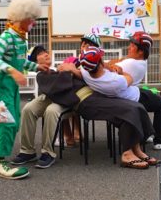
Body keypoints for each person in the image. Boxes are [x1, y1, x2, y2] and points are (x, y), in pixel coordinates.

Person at [0, 0, 49, 180]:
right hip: (1, 86)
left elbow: (20, 62)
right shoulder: (7, 37)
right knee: (5, 122)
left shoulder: (21, 38)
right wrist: (12, 71)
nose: (34, 23)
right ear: (22, 18)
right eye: (32, 19)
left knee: (13, 123)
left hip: (11, 87)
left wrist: (36, 67)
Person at [11, 33, 102, 169]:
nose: (84, 47)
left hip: (69, 97)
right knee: (28, 109)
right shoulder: (72, 60)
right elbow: (62, 78)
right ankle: (27, 151)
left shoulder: (96, 62)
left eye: (89, 45)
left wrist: (69, 71)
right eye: (83, 44)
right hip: (53, 94)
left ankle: (48, 152)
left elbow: (89, 80)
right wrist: (68, 72)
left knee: (51, 111)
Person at [104, 31, 161, 150]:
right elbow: (110, 64)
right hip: (129, 95)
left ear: (141, 51)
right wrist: (114, 62)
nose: (129, 47)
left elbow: (111, 63)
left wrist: (114, 62)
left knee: (155, 101)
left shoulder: (132, 63)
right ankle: (158, 140)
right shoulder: (138, 62)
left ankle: (148, 134)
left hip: (127, 92)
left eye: (133, 46)